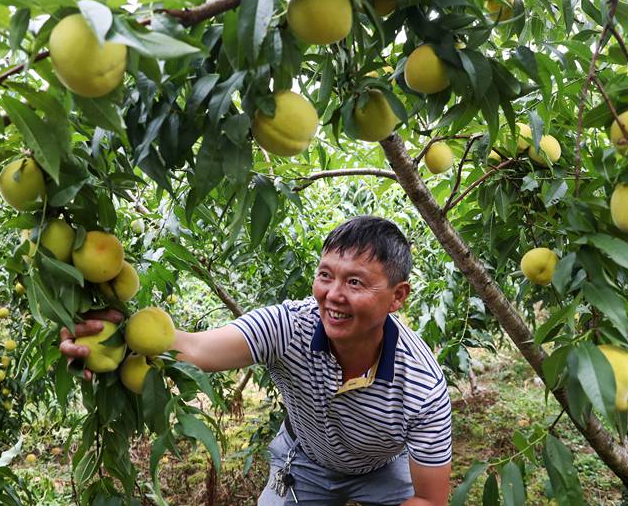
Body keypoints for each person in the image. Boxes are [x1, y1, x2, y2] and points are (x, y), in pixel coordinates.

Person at [60, 216, 451, 506]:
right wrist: (120, 333)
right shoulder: (288, 326)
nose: (333, 295)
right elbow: (196, 349)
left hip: (383, 468)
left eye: (355, 282)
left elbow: (430, 500)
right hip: (306, 461)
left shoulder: (421, 386)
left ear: (398, 296)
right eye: (325, 275)